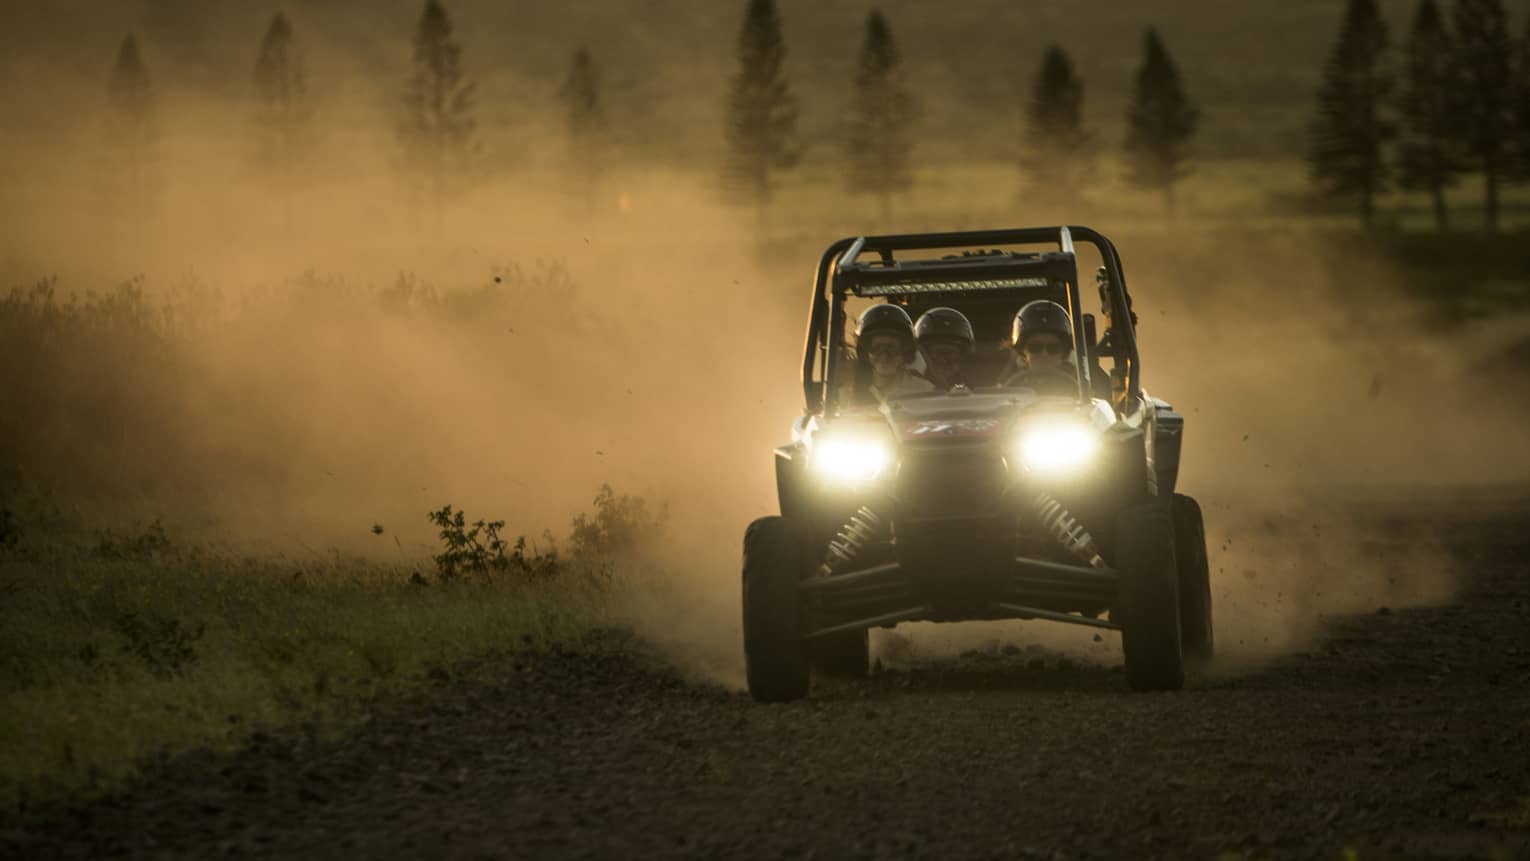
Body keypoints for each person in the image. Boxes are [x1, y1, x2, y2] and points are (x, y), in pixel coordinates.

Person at [840, 304, 935, 406]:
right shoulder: (848, 388)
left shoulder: (923, 390)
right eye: (877, 348)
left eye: (892, 348)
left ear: (905, 351)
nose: (884, 356)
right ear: (865, 352)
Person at [1000, 299, 1083, 396]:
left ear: (1064, 352)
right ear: (1023, 352)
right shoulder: (1008, 385)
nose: (1044, 354)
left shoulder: (1083, 382)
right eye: (1035, 348)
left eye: (1053, 348)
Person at [913, 307, 975, 391]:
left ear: (962, 356)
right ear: (924, 355)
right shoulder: (908, 387)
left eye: (951, 353)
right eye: (939, 352)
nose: (945, 359)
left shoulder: (974, 390)